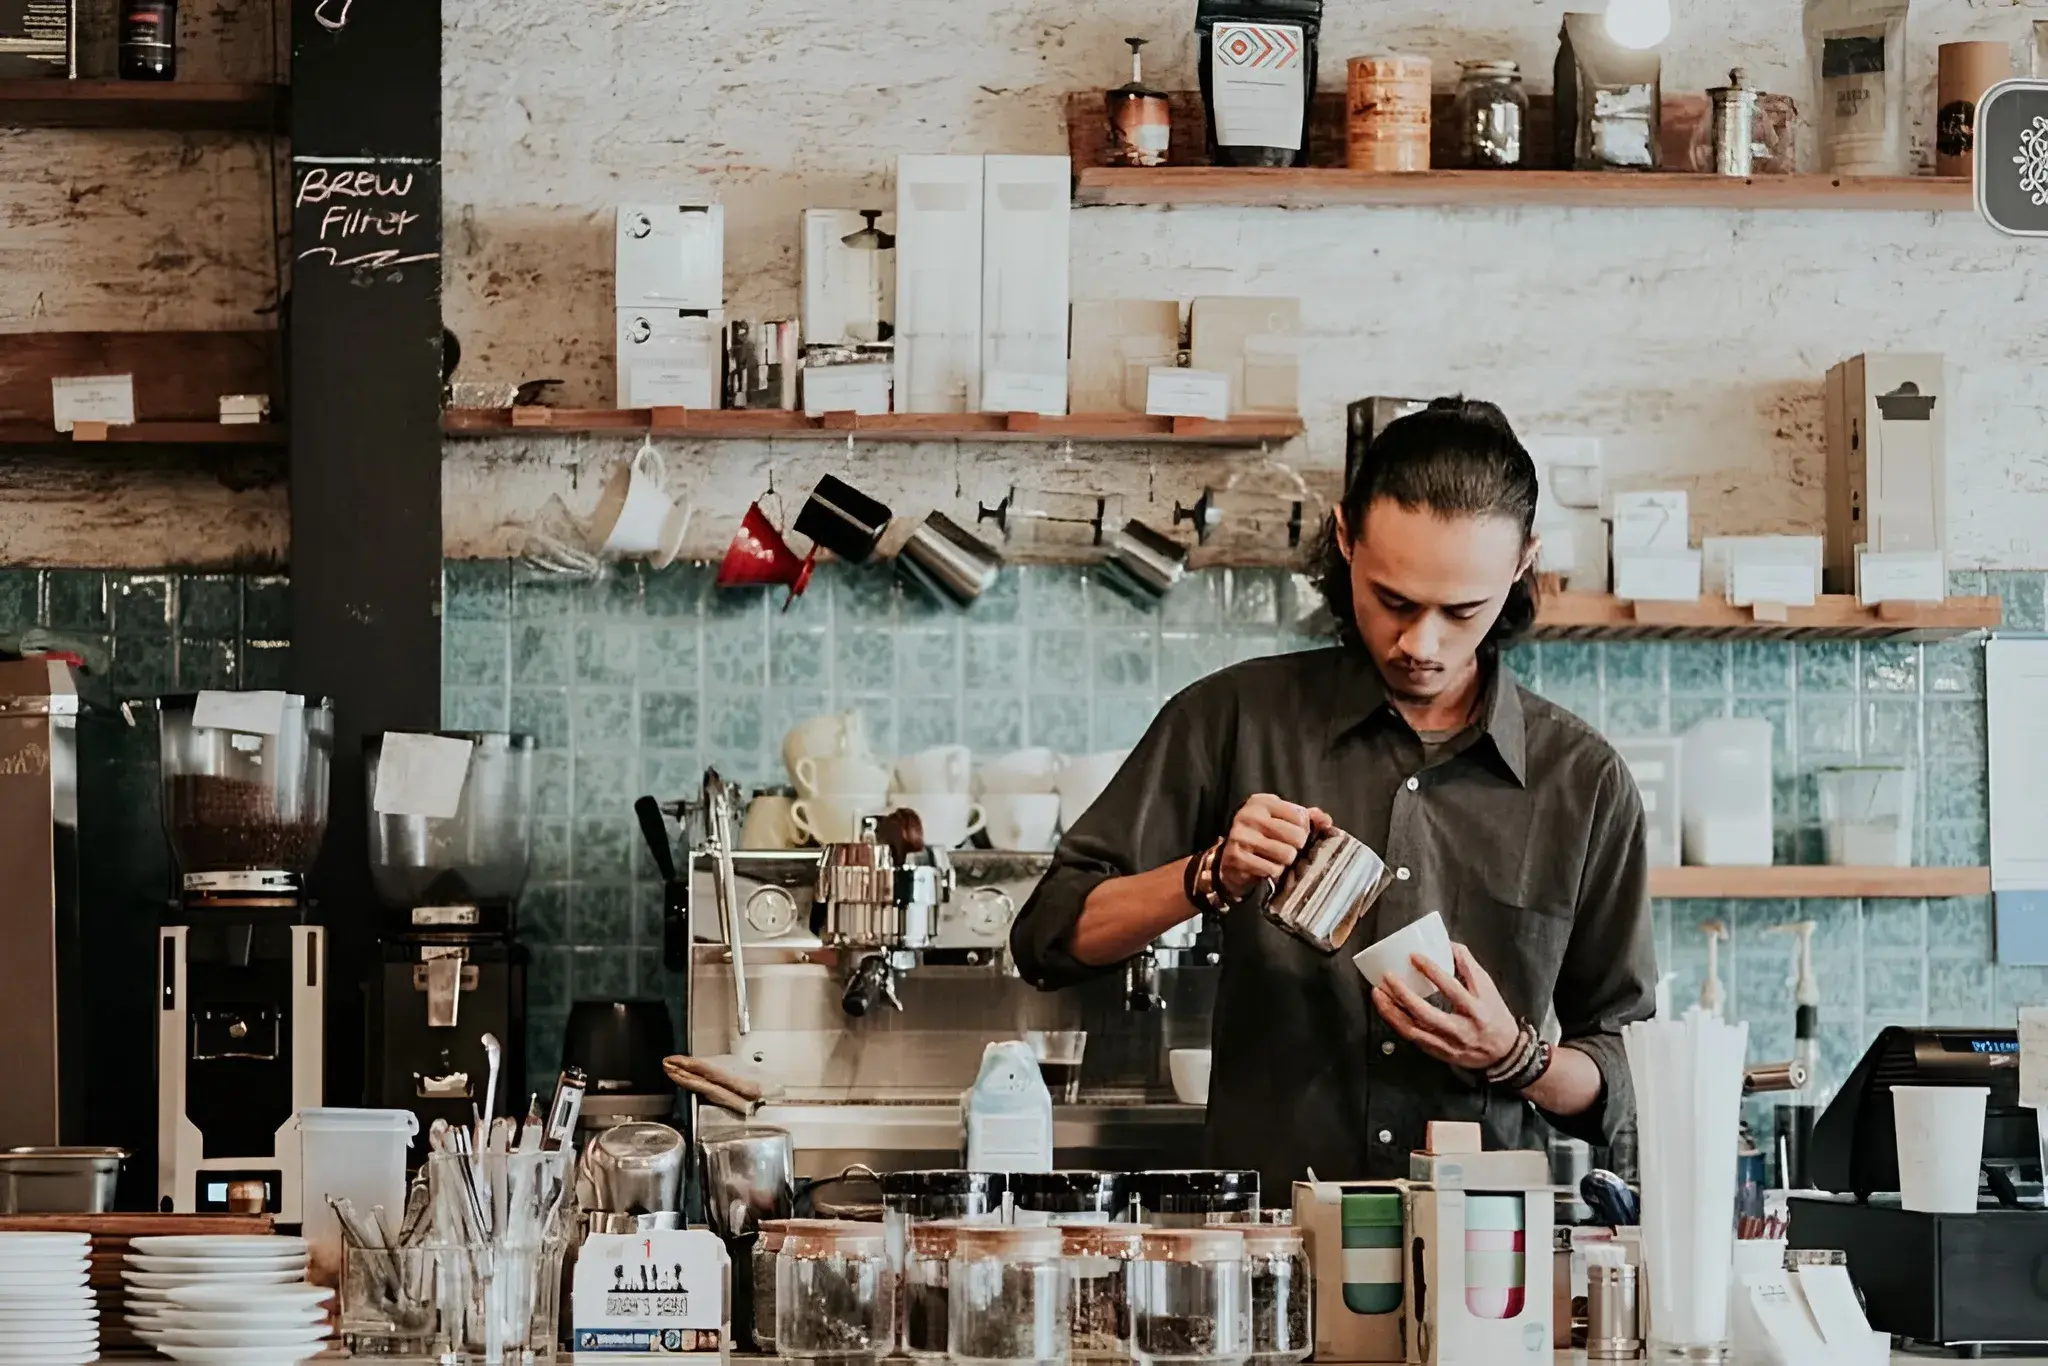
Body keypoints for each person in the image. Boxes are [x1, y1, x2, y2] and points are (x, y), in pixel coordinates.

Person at [1009, 398, 1657, 1190]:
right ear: (1346, 539)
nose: (1421, 644)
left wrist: (1514, 1057)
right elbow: (1048, 938)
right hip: (1272, 1246)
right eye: (1393, 600)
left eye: (1462, 611)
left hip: (1479, 1259)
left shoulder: (1584, 781)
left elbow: (1625, 1076)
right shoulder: (1233, 719)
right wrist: (1207, 874)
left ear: (1522, 563)